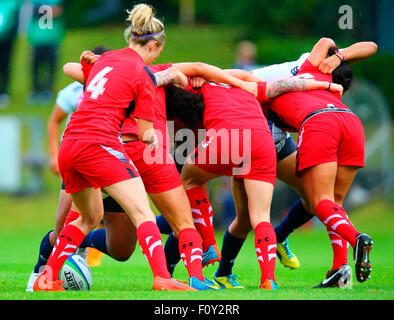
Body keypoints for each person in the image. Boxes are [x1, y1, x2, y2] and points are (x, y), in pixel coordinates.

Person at [32, 3, 197, 292]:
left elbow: (82, 72)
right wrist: (157, 140)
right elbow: (146, 135)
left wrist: (87, 61)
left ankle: (48, 278)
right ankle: (161, 277)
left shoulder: (106, 60)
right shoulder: (142, 74)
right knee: (143, 213)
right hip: (99, 145)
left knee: (87, 218)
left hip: (69, 144)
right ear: (157, 46)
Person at [161, 74, 342, 290]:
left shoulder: (198, 85)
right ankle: (268, 279)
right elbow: (291, 84)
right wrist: (329, 85)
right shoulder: (249, 86)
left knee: (189, 180)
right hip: (262, 142)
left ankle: (209, 245)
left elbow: (170, 84)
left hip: (227, 135)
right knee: (261, 217)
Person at [255, 37, 374, 287]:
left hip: (320, 123)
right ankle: (339, 271)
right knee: (335, 204)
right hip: (351, 123)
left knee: (319, 201)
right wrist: (339, 58)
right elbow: (366, 46)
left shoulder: (289, 77)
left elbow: (326, 41)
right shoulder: (324, 78)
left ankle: (357, 239)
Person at [27, 0, 65, 106]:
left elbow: (58, 11)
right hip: (37, 39)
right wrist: (49, 10)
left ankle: (48, 91)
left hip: (52, 38)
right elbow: (33, 11)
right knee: (35, 66)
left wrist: (42, 11)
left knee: (51, 66)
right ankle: (35, 91)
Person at [0, 0, 21, 108]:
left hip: (7, 39)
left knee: (5, 65)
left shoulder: (13, 3)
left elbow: (14, 20)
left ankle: (3, 91)